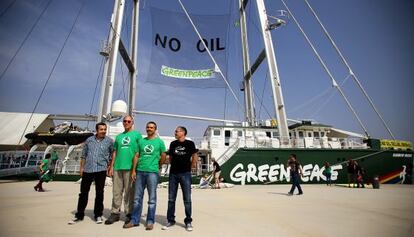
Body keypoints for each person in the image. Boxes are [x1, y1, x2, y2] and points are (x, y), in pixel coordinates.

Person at [124, 121, 166, 230]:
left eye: (151, 127)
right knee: (137, 198)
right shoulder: (141, 141)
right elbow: (137, 156)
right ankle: (134, 220)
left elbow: (163, 155)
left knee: (152, 199)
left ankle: (150, 221)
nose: (149, 129)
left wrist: (159, 166)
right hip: (140, 171)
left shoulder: (159, 142)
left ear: (155, 129)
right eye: (147, 127)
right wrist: (133, 170)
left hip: (152, 172)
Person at [68, 122, 114, 224]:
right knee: (83, 193)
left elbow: (112, 154)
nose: (103, 131)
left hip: (101, 170)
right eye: (101, 129)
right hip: (88, 170)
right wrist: (81, 168)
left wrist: (110, 167)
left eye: (105, 129)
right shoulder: (89, 140)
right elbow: (83, 155)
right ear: (97, 130)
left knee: (99, 193)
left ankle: (98, 215)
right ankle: (79, 215)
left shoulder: (109, 141)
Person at [106, 115, 142, 225]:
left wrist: (135, 169)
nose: (126, 122)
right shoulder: (119, 137)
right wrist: (111, 166)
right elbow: (115, 152)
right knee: (116, 192)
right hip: (118, 167)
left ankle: (129, 213)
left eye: (128, 121)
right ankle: (115, 213)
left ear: (132, 123)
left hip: (130, 168)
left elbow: (138, 152)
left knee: (129, 193)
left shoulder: (137, 135)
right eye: (124, 121)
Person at [162, 126, 198, 232]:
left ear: (183, 132)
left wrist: (191, 167)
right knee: (171, 199)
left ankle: (188, 221)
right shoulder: (173, 144)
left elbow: (194, 156)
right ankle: (170, 220)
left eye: (177, 131)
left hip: (185, 174)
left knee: (187, 199)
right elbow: (171, 157)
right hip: (173, 174)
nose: (175, 132)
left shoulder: (190, 143)